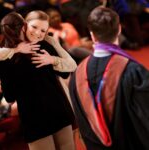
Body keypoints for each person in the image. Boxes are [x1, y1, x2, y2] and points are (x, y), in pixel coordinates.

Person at [69, 6, 149, 150]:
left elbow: (82, 122)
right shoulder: (133, 71)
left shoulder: (77, 74)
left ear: (92, 35)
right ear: (119, 29)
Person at [0, 11, 77, 150]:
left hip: (36, 118)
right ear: (25, 25)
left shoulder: (6, 59)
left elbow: (10, 96)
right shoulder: (44, 47)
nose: (37, 33)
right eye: (34, 27)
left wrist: (53, 60)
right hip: (54, 111)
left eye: (42, 30)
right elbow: (65, 74)